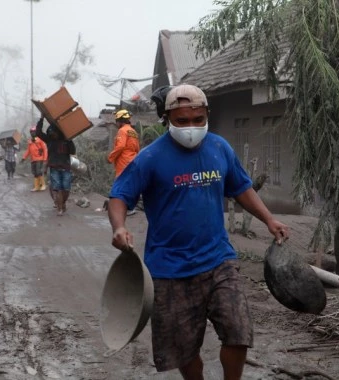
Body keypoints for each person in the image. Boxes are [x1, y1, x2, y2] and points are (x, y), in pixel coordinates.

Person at [108, 84, 290, 380]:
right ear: (167, 119)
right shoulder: (150, 158)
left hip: (219, 261)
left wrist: (268, 219)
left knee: (238, 331)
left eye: (198, 120)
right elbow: (119, 197)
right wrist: (119, 227)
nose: (191, 127)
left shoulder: (220, 148)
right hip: (169, 270)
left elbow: (241, 187)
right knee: (183, 350)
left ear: (207, 115)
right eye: (182, 121)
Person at [36, 116, 76, 216]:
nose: (51, 134)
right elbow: (38, 133)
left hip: (66, 167)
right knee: (57, 188)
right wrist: (41, 119)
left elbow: (73, 151)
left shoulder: (66, 140)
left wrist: (69, 140)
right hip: (54, 168)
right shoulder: (49, 141)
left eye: (53, 132)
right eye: (50, 133)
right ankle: (59, 208)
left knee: (66, 188)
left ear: (58, 132)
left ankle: (63, 203)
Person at [107, 109, 140, 215]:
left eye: (117, 121)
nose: (116, 123)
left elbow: (120, 146)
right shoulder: (133, 131)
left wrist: (110, 157)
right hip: (133, 160)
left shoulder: (122, 131)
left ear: (121, 121)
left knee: (120, 186)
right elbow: (137, 148)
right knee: (131, 185)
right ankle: (130, 207)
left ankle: (121, 208)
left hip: (124, 161)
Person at [21, 126, 48, 192]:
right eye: (31, 132)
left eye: (34, 132)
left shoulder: (40, 140)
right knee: (35, 173)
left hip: (39, 158)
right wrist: (24, 157)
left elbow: (45, 149)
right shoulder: (30, 141)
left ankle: (43, 185)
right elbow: (28, 150)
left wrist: (45, 159)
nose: (32, 133)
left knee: (39, 172)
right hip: (33, 159)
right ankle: (37, 186)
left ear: (36, 132)